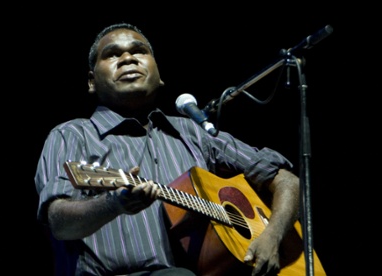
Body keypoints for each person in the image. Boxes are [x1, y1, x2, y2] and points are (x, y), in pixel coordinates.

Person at [34, 22, 300, 276]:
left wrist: (273, 236)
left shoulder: (194, 132)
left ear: (159, 74)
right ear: (92, 81)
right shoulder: (71, 135)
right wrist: (113, 203)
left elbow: (286, 180)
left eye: (139, 51)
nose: (128, 58)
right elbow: (58, 222)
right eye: (112, 55)